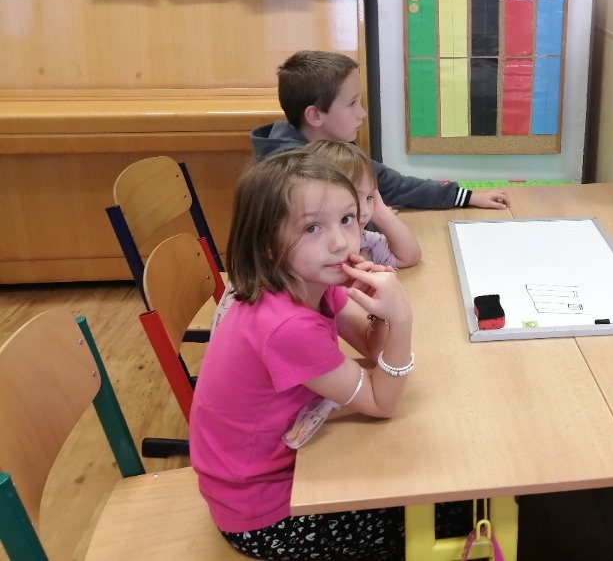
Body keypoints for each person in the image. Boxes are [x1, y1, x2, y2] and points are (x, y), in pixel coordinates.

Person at [190, 150, 415, 560]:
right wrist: (400, 319)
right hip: (264, 513)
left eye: (347, 218)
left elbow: (371, 348)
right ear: (268, 244)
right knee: (437, 514)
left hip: (278, 469)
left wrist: (378, 311)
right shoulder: (286, 325)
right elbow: (383, 403)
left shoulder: (308, 281)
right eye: (312, 227)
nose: (340, 241)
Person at [251, 50, 509, 211]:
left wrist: (465, 196)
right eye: (352, 104)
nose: (362, 114)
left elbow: (394, 185)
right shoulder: (292, 177)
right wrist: (372, 223)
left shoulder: (334, 149)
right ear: (315, 115)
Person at [304, 139, 421, 269]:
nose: (365, 211)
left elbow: (410, 257)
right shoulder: (309, 246)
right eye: (354, 198)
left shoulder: (363, 240)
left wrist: (381, 213)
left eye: (369, 197)